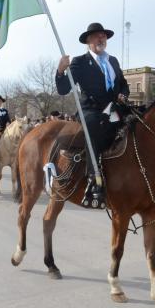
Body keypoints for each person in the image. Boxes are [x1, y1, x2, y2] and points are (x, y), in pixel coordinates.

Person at [55, 22, 130, 208]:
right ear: (88, 40)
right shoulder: (80, 62)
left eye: (103, 36)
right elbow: (63, 89)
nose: (101, 38)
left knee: (138, 121)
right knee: (94, 125)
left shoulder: (113, 61)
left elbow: (124, 84)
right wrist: (60, 70)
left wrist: (123, 94)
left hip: (114, 108)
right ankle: (93, 179)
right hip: (91, 111)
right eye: (97, 36)